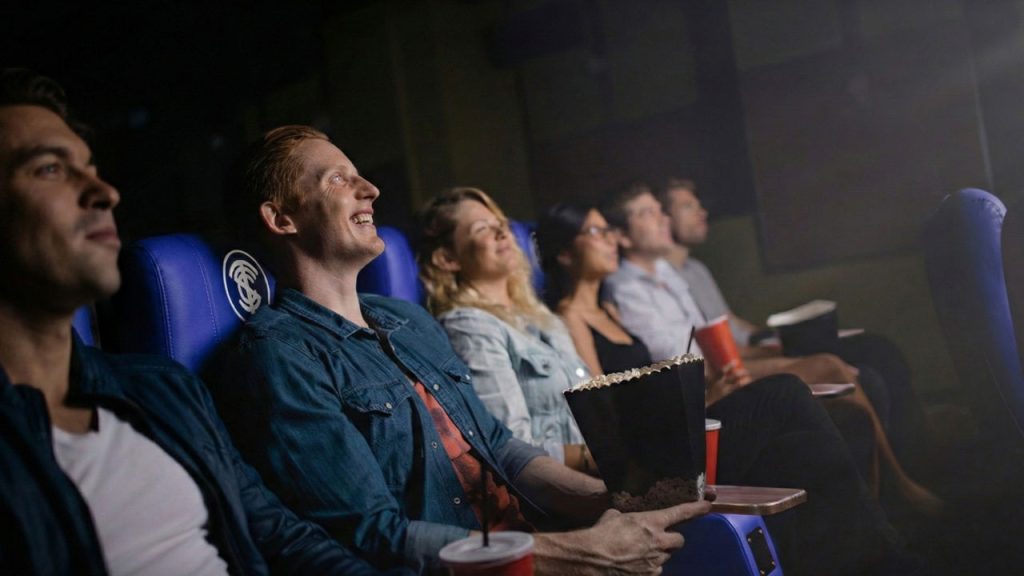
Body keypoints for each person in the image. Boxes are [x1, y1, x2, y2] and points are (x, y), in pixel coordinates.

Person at [213, 125, 711, 575]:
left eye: (359, 176)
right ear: (281, 219)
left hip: (537, 541)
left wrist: (615, 499)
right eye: (338, 181)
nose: (371, 190)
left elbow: (500, 448)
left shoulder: (405, 319)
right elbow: (373, 536)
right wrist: (583, 553)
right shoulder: (277, 355)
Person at [0, 69, 402, 575]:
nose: (105, 192)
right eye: (49, 170)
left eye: (91, 167)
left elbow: (284, 539)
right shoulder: (277, 354)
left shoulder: (162, 389)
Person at [602, 180, 941, 515]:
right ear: (622, 235)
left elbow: (713, 335)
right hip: (706, 386)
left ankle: (885, 495)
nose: (662, 219)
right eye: (648, 213)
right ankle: (897, 486)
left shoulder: (666, 272)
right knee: (829, 365)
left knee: (851, 383)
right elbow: (680, 359)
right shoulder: (624, 287)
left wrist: (773, 348)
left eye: (661, 211)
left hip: (721, 366)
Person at [658, 178, 928, 462]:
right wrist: (773, 349)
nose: (702, 212)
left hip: (754, 348)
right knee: (860, 374)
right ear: (664, 219)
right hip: (737, 363)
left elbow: (731, 321)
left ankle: (920, 451)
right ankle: (902, 475)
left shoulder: (697, 269)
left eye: (699, 204)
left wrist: (772, 334)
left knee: (876, 346)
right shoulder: (664, 282)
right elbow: (713, 349)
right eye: (688, 206)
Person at [416, 187, 592, 472]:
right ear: (448, 259)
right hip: (560, 492)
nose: (502, 232)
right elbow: (514, 448)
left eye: (502, 224)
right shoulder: (469, 325)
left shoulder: (541, 316)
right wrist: (599, 456)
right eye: (482, 229)